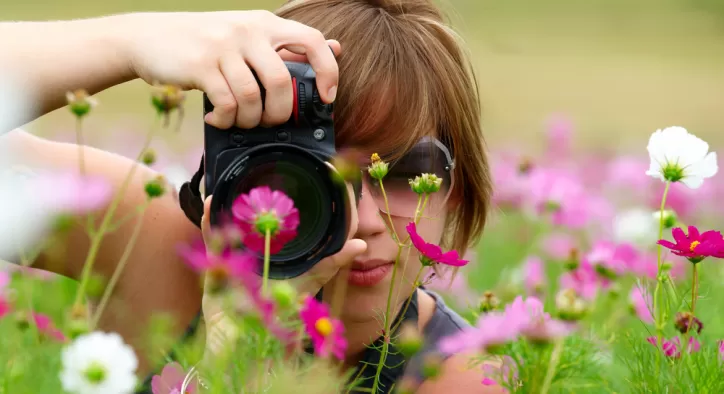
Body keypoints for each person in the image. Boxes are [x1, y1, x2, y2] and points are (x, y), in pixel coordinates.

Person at [0, 0, 496, 392]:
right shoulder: (155, 246)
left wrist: (232, 355)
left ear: (457, 187)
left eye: (406, 171)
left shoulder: (454, 378)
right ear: (239, 173)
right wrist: (130, 44)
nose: (361, 218)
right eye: (318, 174)